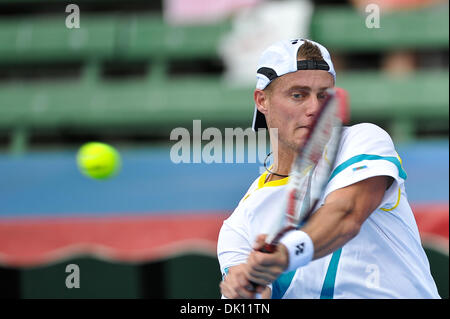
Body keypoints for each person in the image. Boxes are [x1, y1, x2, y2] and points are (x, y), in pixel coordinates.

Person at [217, 38, 440, 299]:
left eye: (323, 95)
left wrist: (286, 254)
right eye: (298, 95)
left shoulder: (362, 140)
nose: (314, 108)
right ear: (262, 100)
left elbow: (345, 215)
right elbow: (254, 295)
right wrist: (245, 292)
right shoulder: (240, 223)